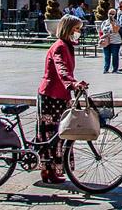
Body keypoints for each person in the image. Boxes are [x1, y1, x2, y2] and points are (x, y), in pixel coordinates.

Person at [36, 14, 87, 185]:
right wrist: (72, 83)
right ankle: (47, 170)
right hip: (52, 96)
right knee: (51, 133)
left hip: (60, 95)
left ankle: (51, 170)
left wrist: (74, 83)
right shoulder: (59, 47)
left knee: (57, 133)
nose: (78, 32)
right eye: (76, 29)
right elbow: (61, 68)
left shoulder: (67, 45)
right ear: (68, 29)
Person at [99, 9, 121, 73]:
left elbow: (115, 31)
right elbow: (101, 31)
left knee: (115, 55)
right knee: (107, 56)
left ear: (115, 15)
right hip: (106, 42)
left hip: (115, 41)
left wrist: (113, 24)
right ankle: (106, 69)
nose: (110, 15)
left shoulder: (117, 22)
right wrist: (101, 38)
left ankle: (115, 69)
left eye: (112, 14)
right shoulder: (104, 22)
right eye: (109, 13)